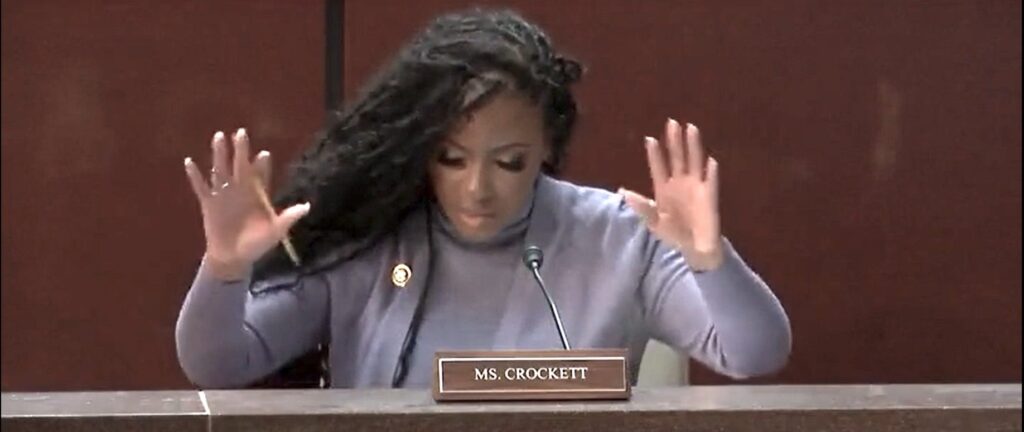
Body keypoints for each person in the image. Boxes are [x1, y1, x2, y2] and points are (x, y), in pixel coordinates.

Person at [175, 8, 791, 389]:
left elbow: (755, 353)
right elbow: (219, 364)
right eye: (452, 159)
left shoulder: (621, 238)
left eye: (509, 162)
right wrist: (225, 268)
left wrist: (710, 260)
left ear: (547, 146)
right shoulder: (374, 237)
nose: (477, 188)